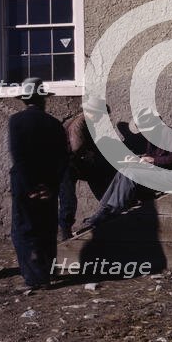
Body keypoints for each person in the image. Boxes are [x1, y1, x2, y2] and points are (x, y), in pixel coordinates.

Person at [78, 108, 172, 231]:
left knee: (130, 174)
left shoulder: (170, 135)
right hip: (157, 173)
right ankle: (102, 210)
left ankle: (112, 210)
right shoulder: (154, 136)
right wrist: (139, 159)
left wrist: (153, 160)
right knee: (125, 169)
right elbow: (152, 155)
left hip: (168, 177)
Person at [9, 77, 68, 290]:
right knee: (47, 228)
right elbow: (63, 159)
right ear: (43, 99)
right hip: (48, 186)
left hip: (25, 186)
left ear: (25, 100)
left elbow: (19, 157)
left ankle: (35, 278)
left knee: (25, 229)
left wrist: (30, 187)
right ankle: (49, 271)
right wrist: (51, 186)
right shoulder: (54, 124)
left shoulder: (16, 122)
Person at [58, 95, 114, 240]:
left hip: (74, 164)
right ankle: (65, 231)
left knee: (98, 177)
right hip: (67, 165)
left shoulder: (87, 123)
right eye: (100, 115)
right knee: (68, 198)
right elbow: (77, 147)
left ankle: (107, 207)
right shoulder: (80, 123)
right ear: (93, 112)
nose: (102, 118)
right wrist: (90, 154)